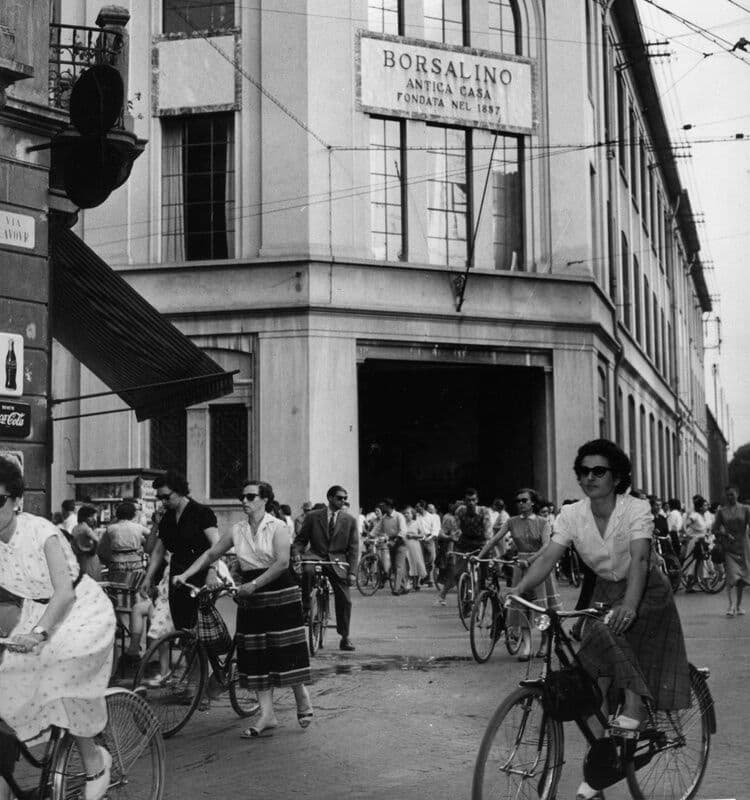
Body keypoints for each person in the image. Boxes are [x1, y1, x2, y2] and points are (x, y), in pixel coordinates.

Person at [509, 439, 691, 800]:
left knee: (607, 628)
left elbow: (639, 561)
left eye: (599, 471)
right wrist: (519, 593)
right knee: (587, 676)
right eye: (583, 471)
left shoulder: (636, 509)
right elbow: (548, 557)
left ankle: (637, 706)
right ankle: (602, 768)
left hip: (647, 592)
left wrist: (630, 606)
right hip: (606, 592)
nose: (589, 478)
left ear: (617, 475)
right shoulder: (572, 515)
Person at [0, 457, 116, 800]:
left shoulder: (40, 531)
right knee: (9, 681)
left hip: (80, 609)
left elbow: (64, 593)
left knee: (60, 668)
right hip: (39, 611)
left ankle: (94, 759)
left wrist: (38, 634)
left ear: (17, 500)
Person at [174, 479, 311, 737]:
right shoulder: (237, 529)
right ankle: (267, 715)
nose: (244, 502)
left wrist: (255, 584)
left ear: (264, 500)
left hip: (280, 591)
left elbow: (282, 563)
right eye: (242, 497)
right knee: (254, 654)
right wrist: (185, 574)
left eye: (250, 497)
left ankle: (301, 696)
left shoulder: (279, 527)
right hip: (251, 595)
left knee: (285, 649)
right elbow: (211, 554)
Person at [478, 488, 561, 660]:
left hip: (539, 565)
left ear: (533, 503)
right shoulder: (512, 521)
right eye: (518, 501)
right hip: (520, 566)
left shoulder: (543, 522)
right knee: (521, 606)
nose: (521, 504)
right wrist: (478, 557)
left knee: (541, 607)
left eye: (524, 500)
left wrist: (530, 561)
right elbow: (494, 539)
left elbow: (546, 546)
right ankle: (527, 646)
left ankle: (545, 642)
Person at [139, 470, 221, 631]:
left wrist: (212, 570)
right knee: (181, 624)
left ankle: (200, 656)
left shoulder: (201, 512)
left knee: (199, 625)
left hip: (200, 569)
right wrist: (148, 577)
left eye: (166, 497)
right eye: (160, 498)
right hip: (177, 571)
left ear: (180, 491)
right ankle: (189, 654)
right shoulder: (168, 517)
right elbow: (157, 551)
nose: (163, 501)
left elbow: (216, 545)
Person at [293, 485, 359, 650]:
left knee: (345, 599)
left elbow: (354, 548)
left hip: (338, 561)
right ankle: (307, 606)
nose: (343, 501)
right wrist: (296, 553)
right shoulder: (313, 517)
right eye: (339, 498)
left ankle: (345, 636)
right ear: (330, 498)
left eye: (345, 498)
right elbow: (301, 540)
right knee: (307, 571)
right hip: (315, 556)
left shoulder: (350, 520)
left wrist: (352, 573)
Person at [434, 488, 492, 606]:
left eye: (473, 500)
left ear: (477, 500)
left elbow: (488, 532)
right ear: (464, 501)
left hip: (481, 544)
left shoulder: (484, 511)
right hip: (464, 544)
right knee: (458, 572)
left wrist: (487, 546)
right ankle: (465, 599)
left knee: (484, 576)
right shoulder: (460, 511)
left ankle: (482, 597)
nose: (471, 502)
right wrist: (453, 541)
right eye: (468, 500)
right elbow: (456, 529)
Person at [711, 485, 750, 616]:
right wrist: (724, 534)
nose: (729, 497)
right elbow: (714, 529)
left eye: (732, 494)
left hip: (744, 546)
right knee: (731, 576)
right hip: (729, 547)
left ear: (737, 494)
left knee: (741, 579)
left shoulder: (746, 509)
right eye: (727, 495)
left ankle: (738, 605)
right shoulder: (722, 511)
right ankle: (731, 605)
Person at [97, 501, 149, 583]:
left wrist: (108, 560)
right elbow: (152, 537)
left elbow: (101, 549)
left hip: (116, 563)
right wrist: (144, 547)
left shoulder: (110, 529)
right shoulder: (139, 527)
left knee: (117, 589)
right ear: (133, 514)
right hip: (136, 562)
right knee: (135, 588)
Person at [370, 498, 409, 595]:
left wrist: (396, 540)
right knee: (396, 565)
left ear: (389, 506)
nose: (382, 507)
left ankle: (396, 589)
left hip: (400, 542)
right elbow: (377, 529)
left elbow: (403, 531)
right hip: (391, 542)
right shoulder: (384, 518)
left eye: (384, 505)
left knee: (398, 566)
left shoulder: (399, 516)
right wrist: (369, 537)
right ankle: (404, 586)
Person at [683, 495, 710, 590]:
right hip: (695, 542)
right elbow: (686, 524)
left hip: (703, 541)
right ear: (700, 507)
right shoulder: (695, 516)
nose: (707, 507)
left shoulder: (705, 516)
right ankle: (690, 584)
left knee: (704, 562)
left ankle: (705, 583)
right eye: (705, 505)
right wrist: (687, 534)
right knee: (693, 563)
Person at [70, 504, 102, 581]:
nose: (93, 519)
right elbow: (97, 541)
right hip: (89, 560)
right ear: (84, 517)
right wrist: (93, 551)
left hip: (79, 559)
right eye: (91, 516)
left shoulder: (75, 528)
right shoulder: (86, 528)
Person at [415, 501, 439, 587]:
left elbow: (435, 530)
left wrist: (430, 537)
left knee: (432, 559)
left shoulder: (431, 517)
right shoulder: (416, 517)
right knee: (419, 560)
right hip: (419, 540)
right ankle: (418, 582)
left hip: (429, 540)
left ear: (422, 507)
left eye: (417, 507)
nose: (416, 508)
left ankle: (427, 576)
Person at [403, 506, 427, 591]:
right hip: (404, 545)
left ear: (412, 514)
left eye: (408, 513)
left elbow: (423, 534)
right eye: (405, 513)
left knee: (415, 563)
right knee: (407, 564)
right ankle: (408, 582)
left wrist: (413, 536)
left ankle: (416, 583)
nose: (406, 515)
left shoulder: (416, 523)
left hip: (414, 545)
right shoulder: (402, 523)